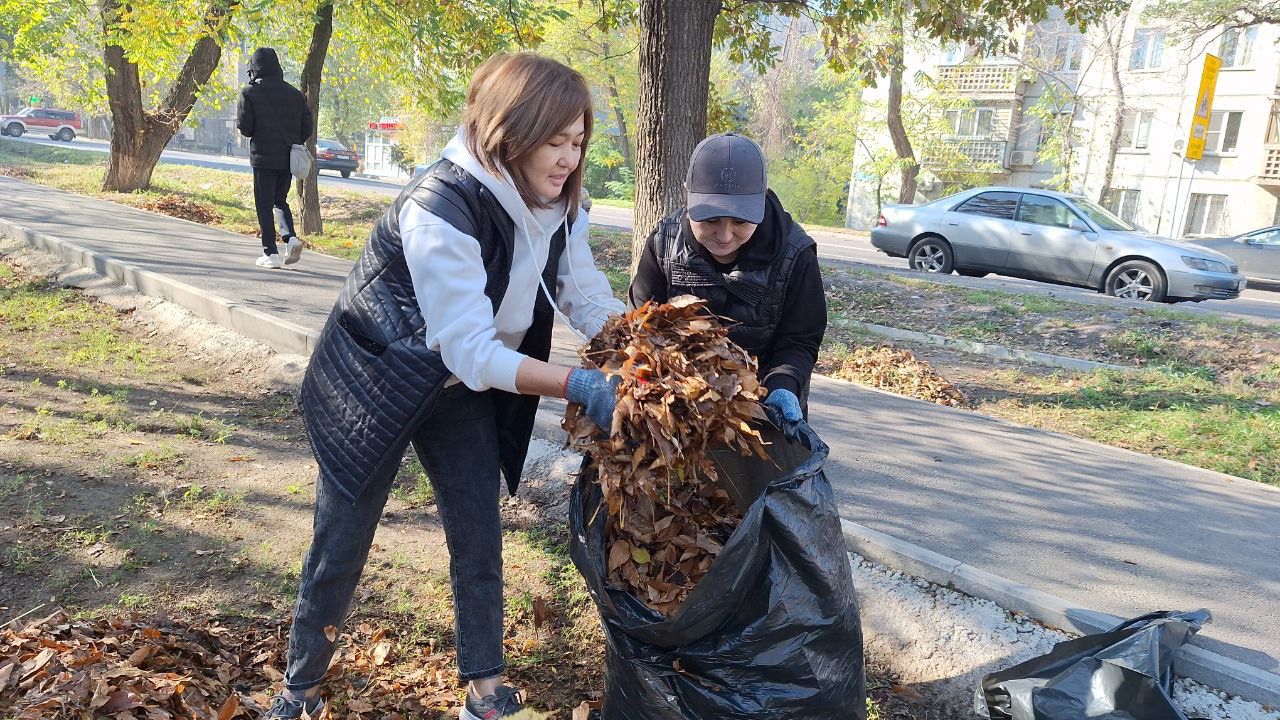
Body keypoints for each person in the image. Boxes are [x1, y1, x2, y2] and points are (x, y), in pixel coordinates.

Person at [262, 53, 625, 720]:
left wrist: (643, 348)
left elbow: (585, 295)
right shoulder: (441, 205)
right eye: (556, 141)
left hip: (459, 391)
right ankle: (300, 689)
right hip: (377, 382)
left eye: (579, 142)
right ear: (510, 130)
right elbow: (471, 348)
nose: (570, 159)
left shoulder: (560, 204)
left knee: (478, 531)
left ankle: (486, 693)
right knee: (341, 539)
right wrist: (578, 383)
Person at [628, 132, 826, 439]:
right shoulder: (664, 244)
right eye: (710, 220)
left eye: (740, 222)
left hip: (760, 412)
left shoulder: (795, 255)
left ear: (760, 202)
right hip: (677, 408)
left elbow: (799, 340)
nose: (724, 236)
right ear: (687, 196)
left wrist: (783, 388)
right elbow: (642, 325)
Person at [236, 47, 312, 270]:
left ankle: (270, 253)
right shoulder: (295, 94)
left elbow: (245, 127)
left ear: (254, 68)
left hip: (263, 158)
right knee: (280, 200)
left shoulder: (249, 92)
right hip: (287, 158)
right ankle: (290, 238)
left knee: (264, 204)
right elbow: (307, 126)